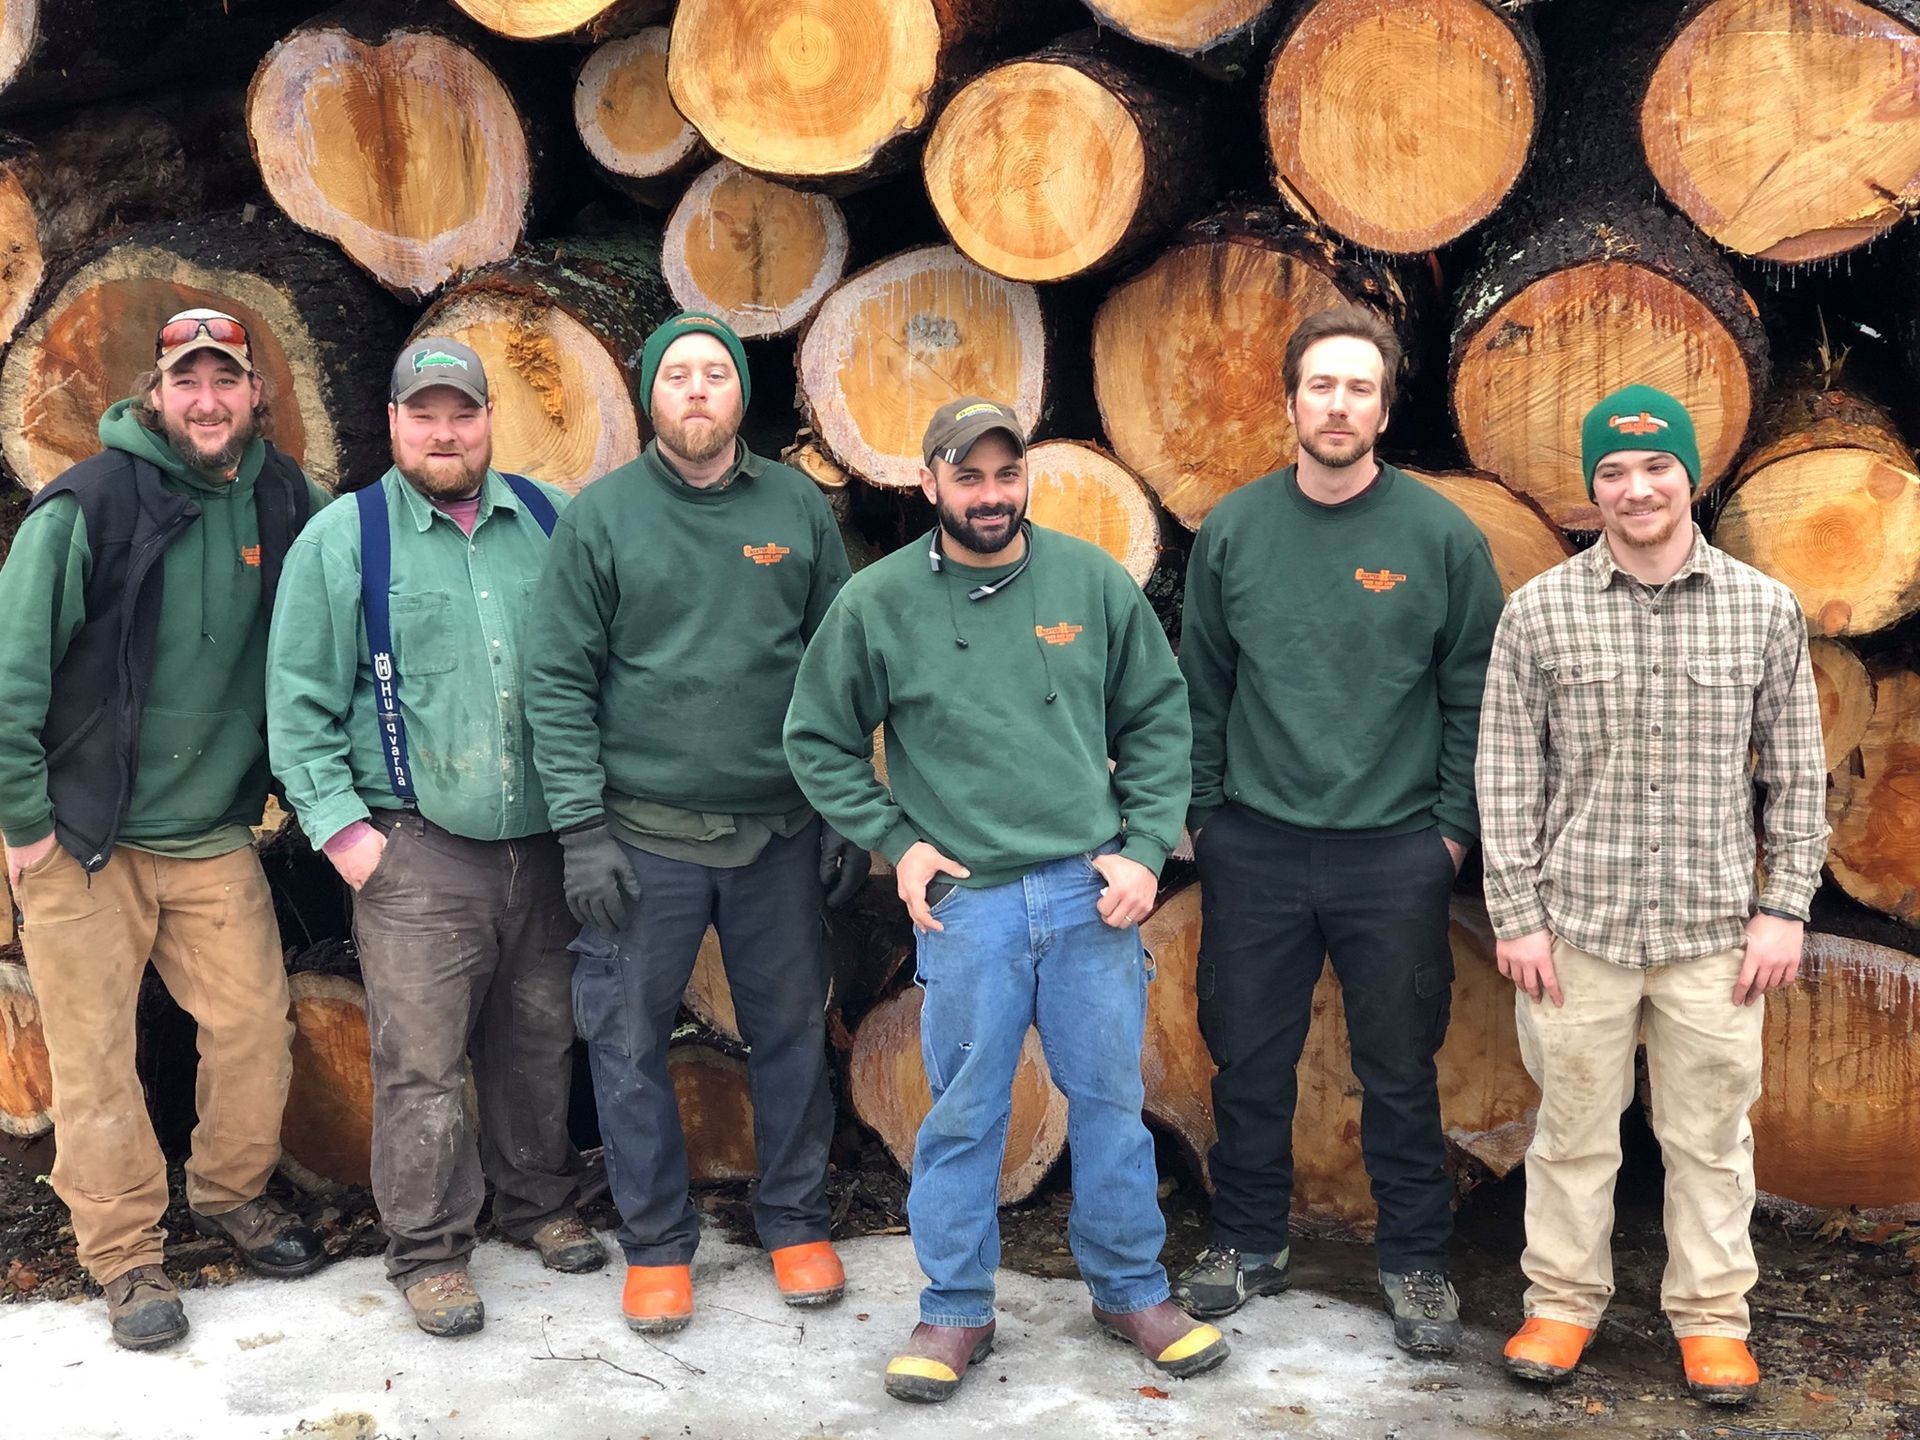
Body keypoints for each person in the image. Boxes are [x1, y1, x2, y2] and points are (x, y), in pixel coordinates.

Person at [785, 396, 1223, 1404]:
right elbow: (815, 737)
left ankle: (1130, 1291)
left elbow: (1160, 720)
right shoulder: (881, 602)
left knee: (1112, 1105)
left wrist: (1147, 849)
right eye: (967, 475)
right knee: (965, 1116)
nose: (990, 494)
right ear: (929, 483)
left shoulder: (1089, 583)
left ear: (1026, 477)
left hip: (1089, 897)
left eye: (1005, 473)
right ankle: (953, 1309)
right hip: (969, 905)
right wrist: (897, 840)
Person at [1477, 385, 1828, 1405]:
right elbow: (1506, 773)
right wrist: (1517, 915)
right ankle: (1562, 1303)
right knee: (1573, 1130)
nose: (1637, 488)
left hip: (1716, 932)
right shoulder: (1539, 612)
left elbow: (1798, 773)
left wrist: (1786, 904)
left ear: (1692, 474)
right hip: (1576, 928)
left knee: (1711, 1140)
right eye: (1614, 472)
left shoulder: (1763, 609)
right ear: (1593, 490)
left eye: (1656, 466)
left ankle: (1713, 1320)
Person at [1173, 304, 1502, 1357]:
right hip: (1257, 845)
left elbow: (1474, 694)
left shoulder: (1440, 537)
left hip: (1394, 850)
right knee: (1250, 1058)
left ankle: (1413, 1259)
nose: (1339, 404)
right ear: (1290, 400)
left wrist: (1449, 833)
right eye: (1322, 385)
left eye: (1360, 388)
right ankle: (1246, 1239)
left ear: (1385, 407)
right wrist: (1206, 819)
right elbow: (1203, 688)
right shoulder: (1235, 531)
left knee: (1398, 1066)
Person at [0, 309, 331, 1349]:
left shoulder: (285, 500)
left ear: (255, 394)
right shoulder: (88, 505)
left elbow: (341, 611)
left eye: (224, 380)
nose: (206, 399)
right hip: (81, 835)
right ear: (156, 391)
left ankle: (230, 1193)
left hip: (206, 832)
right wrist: (23, 819)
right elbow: (12, 677)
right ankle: (125, 1256)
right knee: (96, 1059)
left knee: (252, 1028)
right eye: (186, 381)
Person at [525, 312, 862, 1334]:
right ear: (648, 397)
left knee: (791, 1034)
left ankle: (795, 1219)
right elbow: (557, 677)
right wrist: (581, 830)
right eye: (679, 375)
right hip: (642, 836)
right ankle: (658, 1244)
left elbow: (839, 668)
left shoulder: (796, 507)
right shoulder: (604, 518)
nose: (700, 390)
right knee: (625, 1043)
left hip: (777, 835)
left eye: (717, 373)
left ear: (740, 396)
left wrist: (842, 811)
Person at [268, 338, 603, 1337]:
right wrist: (348, 838)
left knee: (539, 1040)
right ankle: (429, 1251)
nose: (444, 431)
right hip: (416, 852)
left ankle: (539, 1203)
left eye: (462, 412)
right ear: (395, 422)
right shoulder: (344, 540)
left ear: (490, 419)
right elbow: (298, 707)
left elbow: (600, 668)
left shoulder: (549, 520)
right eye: (425, 414)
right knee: (421, 1065)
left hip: (543, 844)